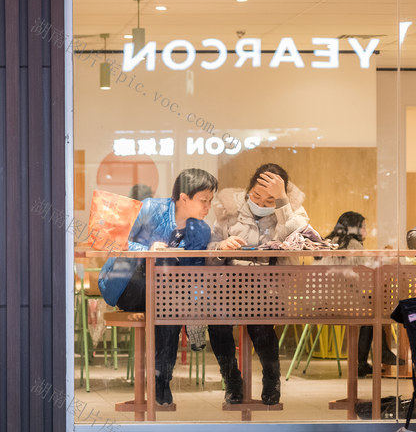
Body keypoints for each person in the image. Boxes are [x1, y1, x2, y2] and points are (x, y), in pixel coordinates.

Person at [98, 168, 218, 406]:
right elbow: (117, 240)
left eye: (211, 201)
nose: (208, 207)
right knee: (165, 272)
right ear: (184, 197)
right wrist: (148, 250)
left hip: (165, 296)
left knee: (169, 307)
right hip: (127, 283)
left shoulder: (201, 230)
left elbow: (193, 275)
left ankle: (161, 381)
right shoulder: (151, 208)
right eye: (204, 200)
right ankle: (159, 382)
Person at [205, 163, 309, 405]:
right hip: (227, 285)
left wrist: (283, 202)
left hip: (267, 286)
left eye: (269, 200)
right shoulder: (227, 212)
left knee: (261, 329)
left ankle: (271, 380)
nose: (261, 204)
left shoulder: (292, 212)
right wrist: (221, 247)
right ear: (248, 190)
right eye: (256, 196)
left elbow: (298, 237)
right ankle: (231, 381)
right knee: (218, 326)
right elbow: (208, 251)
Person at [317, 211, 397, 377]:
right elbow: (372, 268)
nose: (366, 230)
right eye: (364, 227)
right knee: (373, 312)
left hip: (319, 302)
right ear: (354, 229)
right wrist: (390, 257)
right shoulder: (353, 244)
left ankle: (365, 361)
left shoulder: (328, 241)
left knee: (369, 310)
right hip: (341, 303)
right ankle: (376, 355)